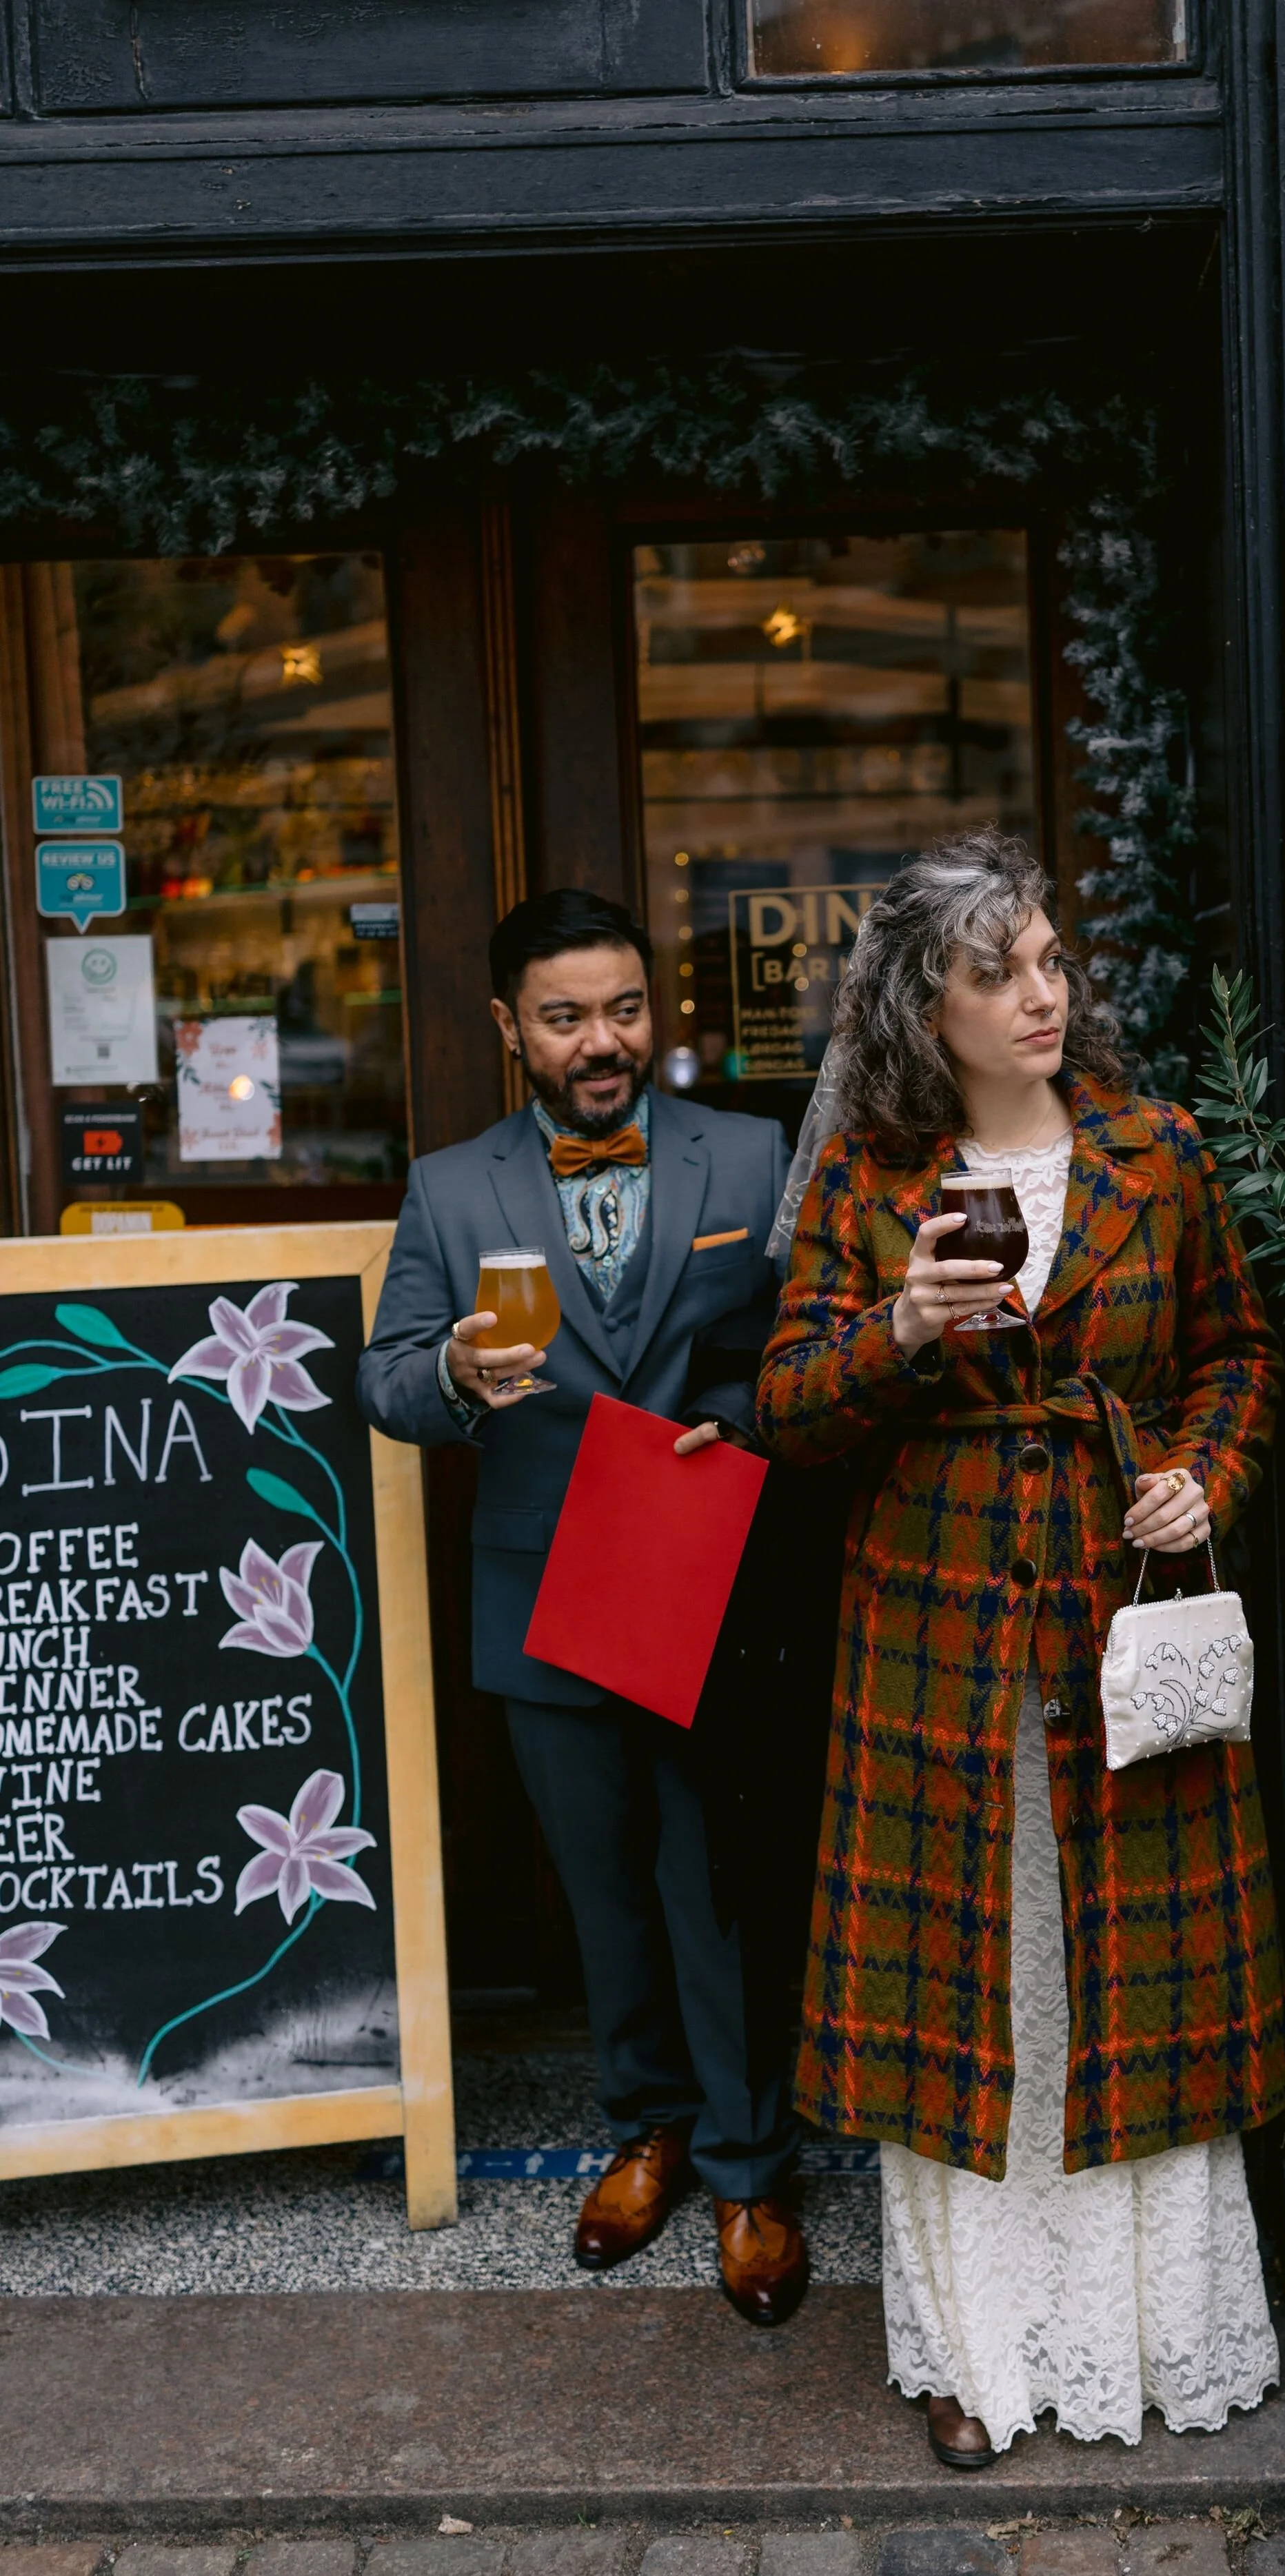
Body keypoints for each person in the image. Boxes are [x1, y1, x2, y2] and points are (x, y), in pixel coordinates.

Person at [757, 831, 1285, 2462]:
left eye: (1051, 959)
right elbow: (787, 1408)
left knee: (1128, 1968)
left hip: (1121, 1615)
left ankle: (1152, 2332)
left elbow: (1239, 1352)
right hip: (934, 1638)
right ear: (925, 1006)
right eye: (996, 973)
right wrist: (905, 1327)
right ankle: (971, 2351)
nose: (1040, 993)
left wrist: (1201, 1475)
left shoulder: (1158, 1149)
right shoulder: (869, 1179)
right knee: (961, 1976)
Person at [358, 887, 810, 2326]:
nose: (601, 1041)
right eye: (565, 1018)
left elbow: (800, 1335)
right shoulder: (448, 1187)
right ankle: (648, 2129)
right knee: (602, 1894)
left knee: (716, 1889)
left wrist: (746, 1415)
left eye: (623, 1008)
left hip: (700, 1575)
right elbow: (384, 1376)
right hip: (542, 1588)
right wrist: (451, 1377)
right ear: (511, 1027)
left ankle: (752, 2167)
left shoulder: (751, 1153)